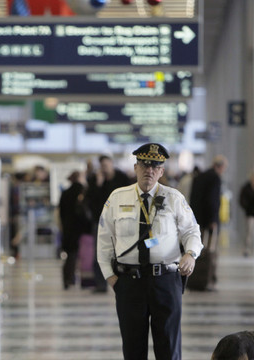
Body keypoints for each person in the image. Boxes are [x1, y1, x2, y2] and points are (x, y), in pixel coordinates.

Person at [97, 143, 203, 360]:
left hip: (165, 280)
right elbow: (104, 240)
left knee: (169, 346)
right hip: (129, 282)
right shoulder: (117, 198)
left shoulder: (174, 198)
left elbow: (192, 231)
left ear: (162, 171)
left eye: (155, 166)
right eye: (145, 165)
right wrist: (111, 276)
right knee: (133, 348)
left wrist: (190, 254)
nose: (149, 170)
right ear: (136, 167)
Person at [87, 155, 132, 293]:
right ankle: (101, 284)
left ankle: (124, 281)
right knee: (100, 253)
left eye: (107, 165)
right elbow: (91, 200)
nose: (105, 168)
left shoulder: (121, 177)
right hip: (100, 222)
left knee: (123, 252)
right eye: (103, 166)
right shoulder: (96, 180)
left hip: (120, 221)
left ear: (112, 164)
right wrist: (98, 184)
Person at [188, 155, 227, 291]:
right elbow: (213, 200)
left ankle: (196, 277)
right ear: (220, 166)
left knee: (198, 248)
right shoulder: (214, 177)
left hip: (198, 219)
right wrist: (212, 220)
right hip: (209, 221)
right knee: (210, 251)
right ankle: (208, 279)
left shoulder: (199, 176)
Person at [58, 171, 92, 290]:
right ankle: (86, 280)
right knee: (85, 254)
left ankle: (68, 278)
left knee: (70, 255)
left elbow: (61, 212)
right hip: (81, 228)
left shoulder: (65, 193)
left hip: (68, 227)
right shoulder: (83, 191)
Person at [238, 171, 254, 257]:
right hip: (250, 214)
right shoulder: (246, 188)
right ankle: (247, 249)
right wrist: (248, 208)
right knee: (249, 232)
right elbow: (242, 200)